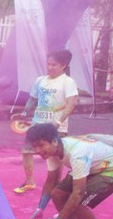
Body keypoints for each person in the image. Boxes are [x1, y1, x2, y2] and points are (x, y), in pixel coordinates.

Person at [26, 122, 113, 219]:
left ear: (54, 141)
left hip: (108, 169)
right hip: (93, 166)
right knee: (58, 193)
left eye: (41, 145)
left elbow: (78, 192)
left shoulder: (77, 154)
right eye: (34, 147)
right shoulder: (52, 151)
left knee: (79, 203)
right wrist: (40, 208)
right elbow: (51, 181)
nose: (37, 151)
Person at [14, 49, 78, 194]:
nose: (49, 67)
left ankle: (56, 184)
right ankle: (29, 182)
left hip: (55, 127)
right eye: (48, 64)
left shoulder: (68, 82)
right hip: (37, 125)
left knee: (56, 157)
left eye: (53, 65)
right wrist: (24, 114)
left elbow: (71, 104)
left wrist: (59, 122)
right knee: (26, 151)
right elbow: (32, 100)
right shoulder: (40, 81)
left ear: (63, 65)